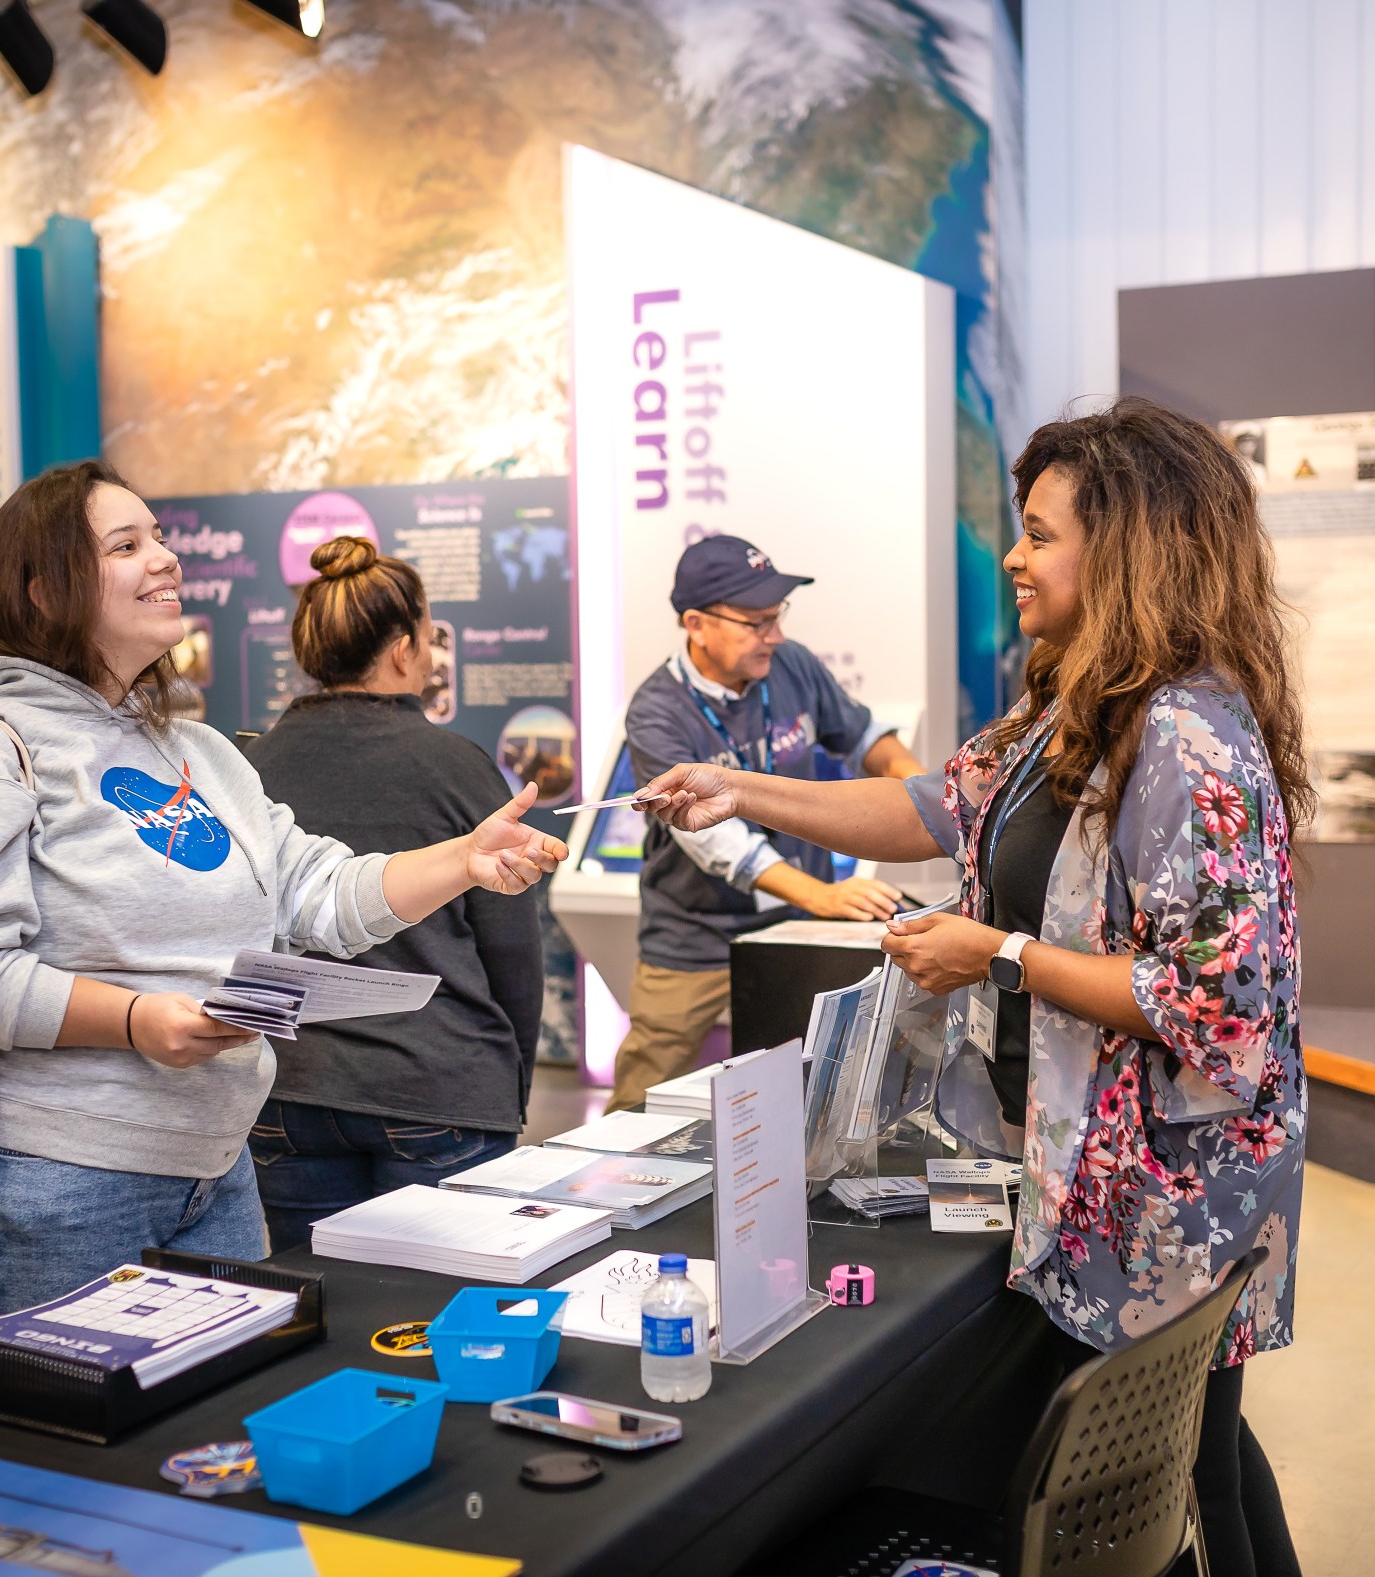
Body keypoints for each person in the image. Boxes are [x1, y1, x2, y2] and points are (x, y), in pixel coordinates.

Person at [641, 398, 1305, 1575]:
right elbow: (924, 804)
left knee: (1190, 1462)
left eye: (1040, 532)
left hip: (1167, 1199)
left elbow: (1216, 1008)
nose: (1012, 553)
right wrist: (738, 790)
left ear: (1128, 548)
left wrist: (988, 951)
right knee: (1205, 1453)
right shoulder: (1073, 710)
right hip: (1090, 1178)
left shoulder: (1183, 739)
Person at [0, 461, 567, 1314]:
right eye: (126, 544)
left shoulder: (200, 753)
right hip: (68, 1188)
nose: (164, 558)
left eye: (158, 537)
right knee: (86, 1446)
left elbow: (314, 890)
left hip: (222, 1172)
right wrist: (135, 1020)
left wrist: (463, 859)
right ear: (45, 592)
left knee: (218, 1438)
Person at [240, 537, 543, 1249]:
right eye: (430, 636)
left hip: (289, 1091)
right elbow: (512, 952)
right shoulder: (456, 767)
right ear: (403, 648)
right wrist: (509, 1082)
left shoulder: (250, 765)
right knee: (447, 1315)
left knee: (320, 1313)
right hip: (438, 1088)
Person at [607, 533, 924, 1111]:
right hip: (694, 932)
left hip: (798, 925)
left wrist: (931, 792)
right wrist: (821, 894)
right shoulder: (656, 711)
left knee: (813, 1086)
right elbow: (716, 841)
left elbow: (863, 737)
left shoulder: (791, 664)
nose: (774, 635)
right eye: (755, 622)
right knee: (644, 1090)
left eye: (777, 617)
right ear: (697, 624)